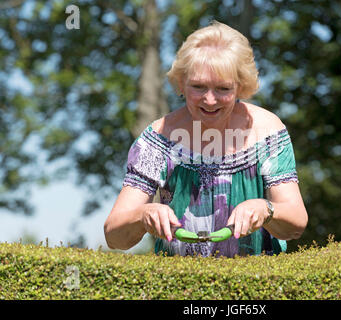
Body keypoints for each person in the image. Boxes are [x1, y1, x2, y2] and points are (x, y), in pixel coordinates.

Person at [104, 21, 308, 257]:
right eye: (198, 87)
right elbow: (114, 237)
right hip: (178, 286)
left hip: (258, 283)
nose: (210, 100)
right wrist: (143, 215)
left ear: (240, 85)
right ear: (181, 82)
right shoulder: (157, 138)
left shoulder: (267, 131)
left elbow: (297, 223)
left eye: (222, 88)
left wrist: (266, 209)